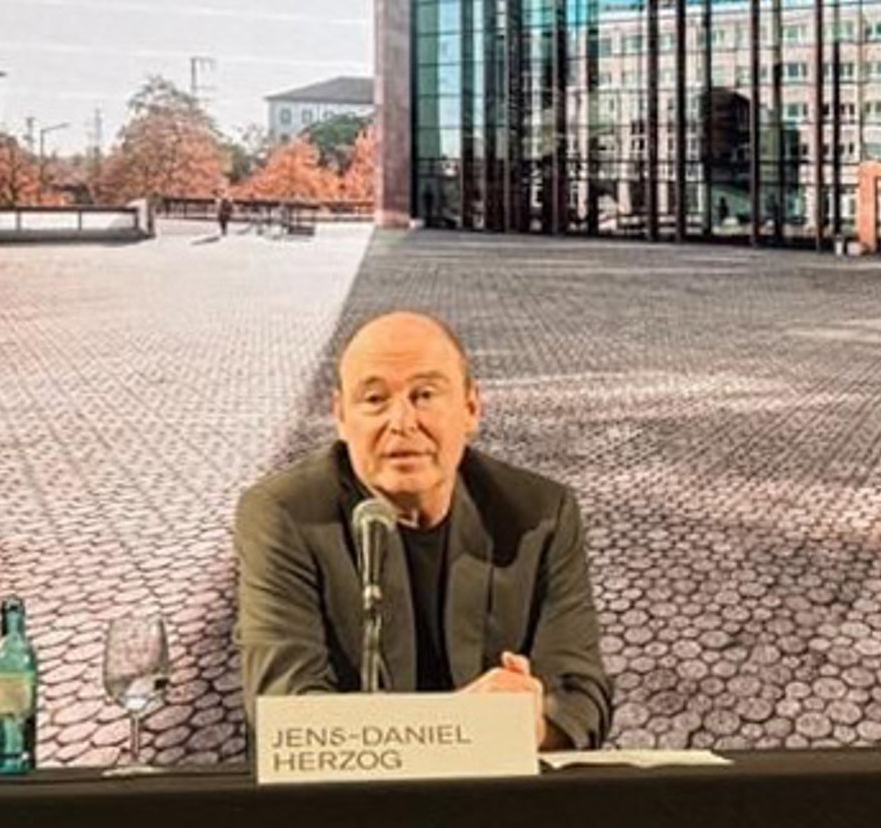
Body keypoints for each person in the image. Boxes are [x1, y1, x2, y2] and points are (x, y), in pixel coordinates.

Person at [234, 310, 613, 749]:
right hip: (350, 807)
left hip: (494, 801)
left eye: (425, 395)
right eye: (374, 399)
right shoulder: (283, 515)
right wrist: (464, 726)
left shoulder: (541, 514)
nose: (402, 422)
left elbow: (581, 697)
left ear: (471, 409)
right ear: (340, 417)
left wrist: (533, 723)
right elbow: (284, 714)